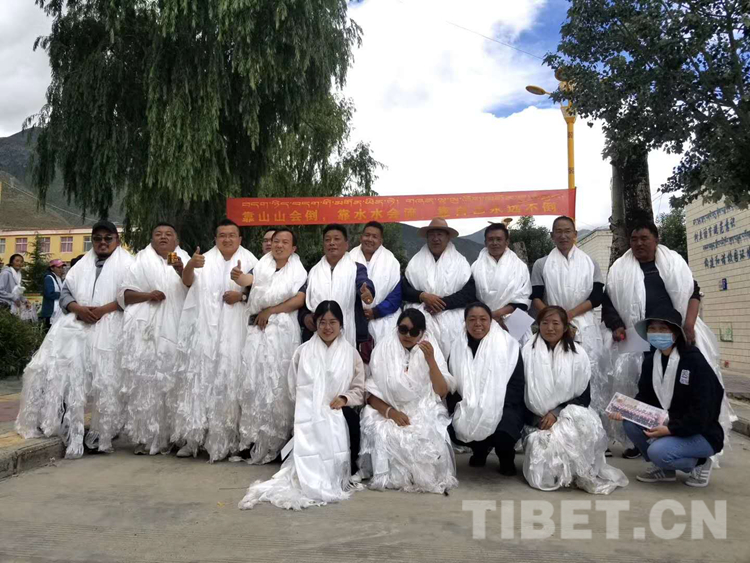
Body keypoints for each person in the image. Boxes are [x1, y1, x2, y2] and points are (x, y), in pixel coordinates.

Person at [601, 219, 734, 458]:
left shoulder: (674, 264)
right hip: (638, 339)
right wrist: (617, 325)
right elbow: (608, 302)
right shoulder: (619, 270)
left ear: (656, 239)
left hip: (675, 336)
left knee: (682, 388)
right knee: (642, 388)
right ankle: (641, 441)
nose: (639, 244)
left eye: (644, 238)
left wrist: (689, 325)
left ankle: (689, 440)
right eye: (634, 239)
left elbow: (693, 293)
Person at [16, 220, 134, 458]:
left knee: (106, 381)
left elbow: (131, 295)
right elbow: (66, 293)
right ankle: (67, 427)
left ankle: (102, 434)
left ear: (117, 240)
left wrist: (103, 310)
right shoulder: (81, 265)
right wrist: (78, 308)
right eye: (97, 238)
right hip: (75, 325)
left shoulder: (130, 264)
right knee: (55, 371)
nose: (102, 243)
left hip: (111, 327)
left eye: (107, 238)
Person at [238, 301, 365, 510]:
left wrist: (344, 398)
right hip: (309, 412)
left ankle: (342, 469)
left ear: (341, 324)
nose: (327, 327)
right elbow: (293, 386)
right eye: (322, 322)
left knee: (346, 426)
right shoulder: (302, 352)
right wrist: (309, 405)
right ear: (316, 324)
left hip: (338, 409)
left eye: (333, 322)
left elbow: (359, 388)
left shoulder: (351, 354)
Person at [172, 218, 258, 462]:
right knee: (200, 382)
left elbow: (262, 292)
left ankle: (232, 440)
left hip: (237, 333)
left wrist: (241, 296)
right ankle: (194, 439)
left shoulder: (252, 261)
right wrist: (191, 265)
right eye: (222, 235)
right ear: (216, 238)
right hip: (205, 333)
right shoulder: (204, 260)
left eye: (232, 235)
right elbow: (187, 282)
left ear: (240, 239)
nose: (227, 239)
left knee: (232, 382)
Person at [609, 309, 725, 487]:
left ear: (675, 333)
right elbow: (645, 397)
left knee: (657, 452)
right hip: (667, 422)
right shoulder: (651, 361)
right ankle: (665, 469)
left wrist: (671, 429)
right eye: (652, 329)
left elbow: (704, 409)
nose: (657, 333)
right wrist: (626, 410)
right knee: (630, 424)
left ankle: (700, 462)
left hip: (700, 431)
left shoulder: (693, 360)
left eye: (663, 329)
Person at [522, 306, 628, 494]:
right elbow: (521, 392)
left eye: (555, 323)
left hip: (568, 413)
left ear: (565, 327)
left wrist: (556, 413)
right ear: (538, 325)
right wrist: (539, 417)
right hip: (536, 416)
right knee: (546, 469)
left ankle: (575, 471)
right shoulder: (526, 352)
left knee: (578, 429)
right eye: (545, 323)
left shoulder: (578, 354)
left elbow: (583, 397)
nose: (550, 328)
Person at [358, 308, 457, 494]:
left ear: (422, 333)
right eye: (403, 330)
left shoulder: (431, 349)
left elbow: (442, 391)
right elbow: (370, 394)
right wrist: (391, 413)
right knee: (382, 429)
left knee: (426, 434)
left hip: (422, 406)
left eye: (414, 332)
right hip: (389, 408)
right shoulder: (383, 350)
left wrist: (431, 360)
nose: (407, 336)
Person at [530, 216, 609, 447]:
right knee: (552, 375)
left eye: (568, 231)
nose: (563, 236)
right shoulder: (542, 264)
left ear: (575, 234)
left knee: (588, 377)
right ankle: (552, 423)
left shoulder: (589, 262)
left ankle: (591, 434)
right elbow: (536, 297)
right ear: (552, 236)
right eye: (558, 231)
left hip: (583, 325)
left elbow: (597, 296)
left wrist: (570, 314)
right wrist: (555, 319)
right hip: (552, 328)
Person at [233, 228, 307, 463]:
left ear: (293, 248)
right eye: (276, 241)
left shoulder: (299, 271)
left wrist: (270, 311)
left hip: (282, 334)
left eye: (285, 242)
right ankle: (251, 439)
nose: (279, 245)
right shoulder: (262, 266)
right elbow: (248, 281)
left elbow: (299, 299)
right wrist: (238, 277)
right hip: (257, 331)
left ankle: (277, 441)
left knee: (278, 384)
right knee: (253, 382)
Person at [118, 223, 190, 455]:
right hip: (145, 333)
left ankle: (176, 435)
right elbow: (124, 294)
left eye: (168, 234)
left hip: (176, 328)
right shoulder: (139, 261)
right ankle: (144, 436)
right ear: (151, 239)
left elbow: (196, 290)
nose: (163, 237)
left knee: (175, 381)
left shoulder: (184, 260)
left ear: (176, 241)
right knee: (145, 381)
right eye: (158, 234)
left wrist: (181, 270)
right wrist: (148, 295)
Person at [448, 302, 527, 476]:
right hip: (469, 402)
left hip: (505, 404)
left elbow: (516, 384)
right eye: (472, 319)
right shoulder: (457, 347)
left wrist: (492, 404)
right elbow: (452, 383)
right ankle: (480, 450)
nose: (478, 324)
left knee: (504, 428)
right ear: (465, 322)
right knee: (458, 425)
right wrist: (462, 405)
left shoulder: (507, 345)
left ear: (491, 321)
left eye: (483, 319)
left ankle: (506, 456)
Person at [402, 217, 476, 359]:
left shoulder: (460, 263)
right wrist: (422, 296)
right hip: (421, 315)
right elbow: (405, 290)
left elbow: (469, 293)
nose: (436, 239)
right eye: (432, 235)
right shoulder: (415, 262)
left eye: (440, 234)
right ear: (427, 238)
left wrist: (441, 304)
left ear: (448, 237)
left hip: (452, 318)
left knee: (453, 358)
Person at [298, 224, 375, 350]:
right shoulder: (313, 271)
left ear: (346, 245)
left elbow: (363, 282)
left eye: (337, 239)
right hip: (316, 332)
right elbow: (304, 300)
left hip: (347, 331)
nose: (332, 243)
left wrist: (367, 291)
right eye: (327, 240)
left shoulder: (356, 268)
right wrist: (305, 317)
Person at [472, 223, 531, 337]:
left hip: (513, 318)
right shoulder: (475, 267)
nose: (495, 243)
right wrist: (488, 315)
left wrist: (497, 314)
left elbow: (524, 298)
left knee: (516, 347)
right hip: (483, 319)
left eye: (499, 239)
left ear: (506, 242)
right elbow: (471, 296)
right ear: (485, 242)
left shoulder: (520, 267)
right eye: (491, 239)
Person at [349, 221, 402, 345]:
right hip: (354, 319)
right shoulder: (349, 258)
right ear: (361, 237)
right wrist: (359, 312)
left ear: (381, 240)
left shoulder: (391, 262)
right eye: (367, 235)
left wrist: (376, 311)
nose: (370, 239)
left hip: (384, 319)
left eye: (374, 236)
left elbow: (396, 295)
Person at [40, 259, 65, 328]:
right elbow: (50, 294)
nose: (61, 270)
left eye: (62, 267)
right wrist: (63, 295)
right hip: (50, 312)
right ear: (52, 268)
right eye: (58, 267)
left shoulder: (58, 278)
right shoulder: (49, 278)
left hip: (57, 311)